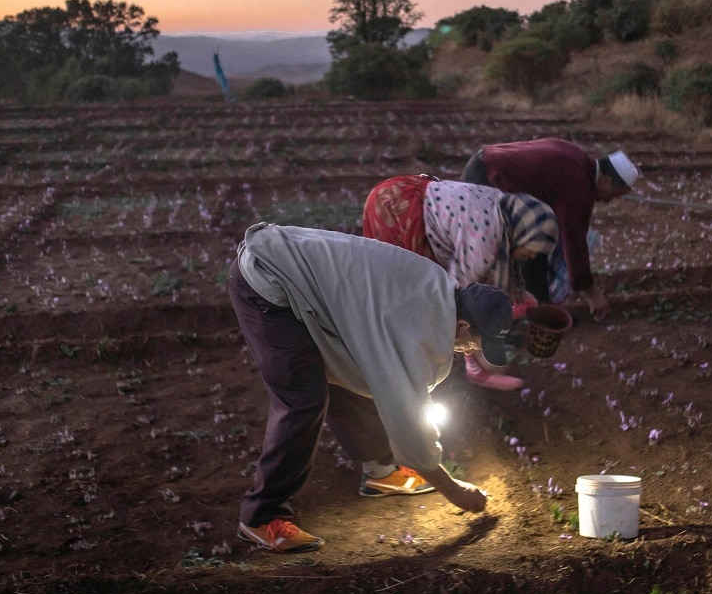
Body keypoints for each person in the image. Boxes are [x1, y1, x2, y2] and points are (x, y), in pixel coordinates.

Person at [228, 222, 510, 553]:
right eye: (476, 343)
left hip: (295, 275)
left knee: (356, 371)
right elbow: (406, 417)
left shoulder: (435, 291)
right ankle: (261, 517)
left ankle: (380, 469)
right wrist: (454, 491)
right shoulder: (413, 323)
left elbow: (386, 377)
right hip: (266, 282)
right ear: (463, 325)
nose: (473, 351)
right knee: (303, 399)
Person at [362, 174, 558, 391]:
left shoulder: (504, 210)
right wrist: (481, 350)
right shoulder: (484, 241)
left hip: (412, 193)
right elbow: (455, 298)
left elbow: (495, 268)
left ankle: (427, 358)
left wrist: (519, 298)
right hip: (395, 206)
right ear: (522, 232)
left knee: (433, 290)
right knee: (407, 292)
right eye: (532, 250)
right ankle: (406, 366)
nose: (531, 257)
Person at [460, 137, 639, 321]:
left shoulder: (578, 158)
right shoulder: (578, 185)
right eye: (614, 195)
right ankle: (525, 315)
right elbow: (575, 242)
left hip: (484, 163)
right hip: (488, 179)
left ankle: (535, 308)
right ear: (606, 181)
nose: (609, 201)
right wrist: (592, 294)